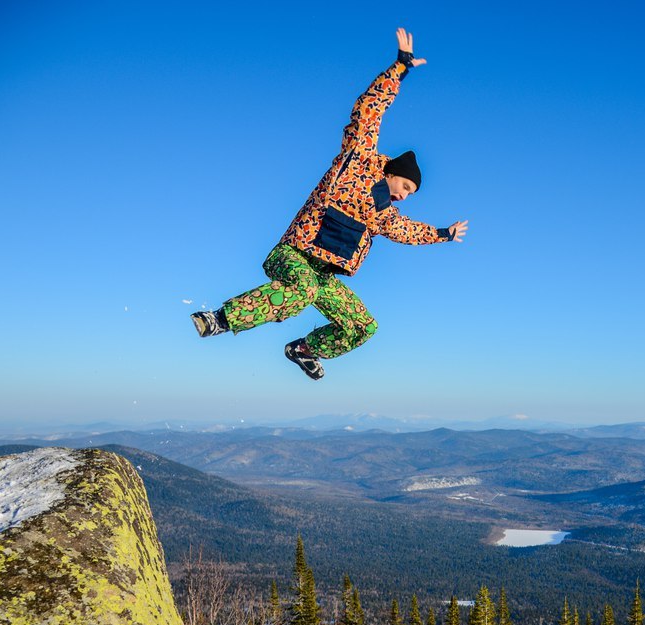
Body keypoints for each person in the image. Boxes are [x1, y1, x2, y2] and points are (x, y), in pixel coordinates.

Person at [191, 28, 468, 381]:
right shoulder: (357, 161)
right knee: (301, 289)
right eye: (405, 186)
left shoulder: (384, 214)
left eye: (411, 194)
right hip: (293, 256)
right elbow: (368, 110)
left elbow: (409, 231)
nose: (404, 195)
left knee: (363, 325)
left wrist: (444, 233)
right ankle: (221, 319)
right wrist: (400, 68)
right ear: (392, 172)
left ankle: (303, 350)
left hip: (323, 275)